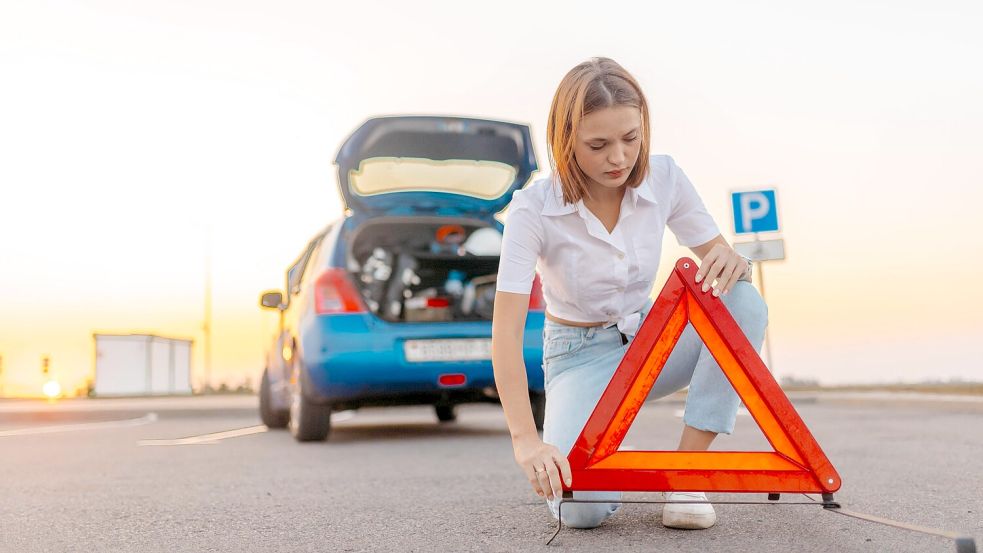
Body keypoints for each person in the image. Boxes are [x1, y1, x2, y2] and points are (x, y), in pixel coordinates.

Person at [491, 57, 768, 530]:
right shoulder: (531, 209)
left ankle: (685, 475)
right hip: (577, 359)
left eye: (631, 139)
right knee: (581, 511)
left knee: (743, 298)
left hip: (650, 343)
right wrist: (525, 440)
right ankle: (607, 445)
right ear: (566, 142)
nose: (618, 158)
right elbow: (505, 334)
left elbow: (720, 260)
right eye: (598, 145)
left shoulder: (665, 177)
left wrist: (734, 261)